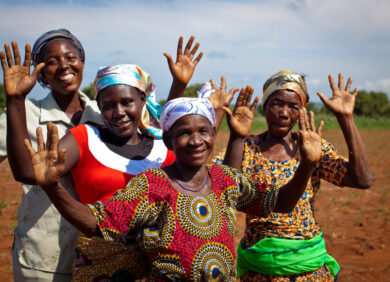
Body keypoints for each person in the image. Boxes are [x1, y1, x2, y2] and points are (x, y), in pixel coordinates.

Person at [25, 89, 325, 280]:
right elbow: (95, 223)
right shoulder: (153, 185)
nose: (196, 141)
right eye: (184, 133)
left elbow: (282, 203)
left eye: (204, 131)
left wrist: (307, 164)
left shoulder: (225, 180)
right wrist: (53, 188)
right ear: (168, 139)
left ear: (212, 135)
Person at [3, 34, 204, 280]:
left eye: (127, 102)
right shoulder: (86, 136)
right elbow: (30, 172)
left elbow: (179, 137)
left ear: (143, 100)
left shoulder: (158, 145)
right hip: (79, 261)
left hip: (155, 266)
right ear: (100, 105)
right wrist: (15, 99)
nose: (118, 112)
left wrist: (179, 86)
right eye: (108, 105)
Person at [219, 70, 372, 281]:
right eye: (277, 104)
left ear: (302, 111)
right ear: (265, 107)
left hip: (307, 268)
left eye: (293, 106)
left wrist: (346, 119)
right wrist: (236, 137)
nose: (284, 113)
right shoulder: (248, 148)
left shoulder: (310, 146)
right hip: (259, 268)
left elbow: (362, 180)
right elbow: (223, 188)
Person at [0, 29, 103, 281]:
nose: (64, 65)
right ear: (41, 73)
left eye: (70, 57)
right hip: (42, 258)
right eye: (52, 61)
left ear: (82, 62)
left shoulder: (103, 114)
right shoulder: (25, 112)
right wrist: (14, 99)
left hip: (100, 258)